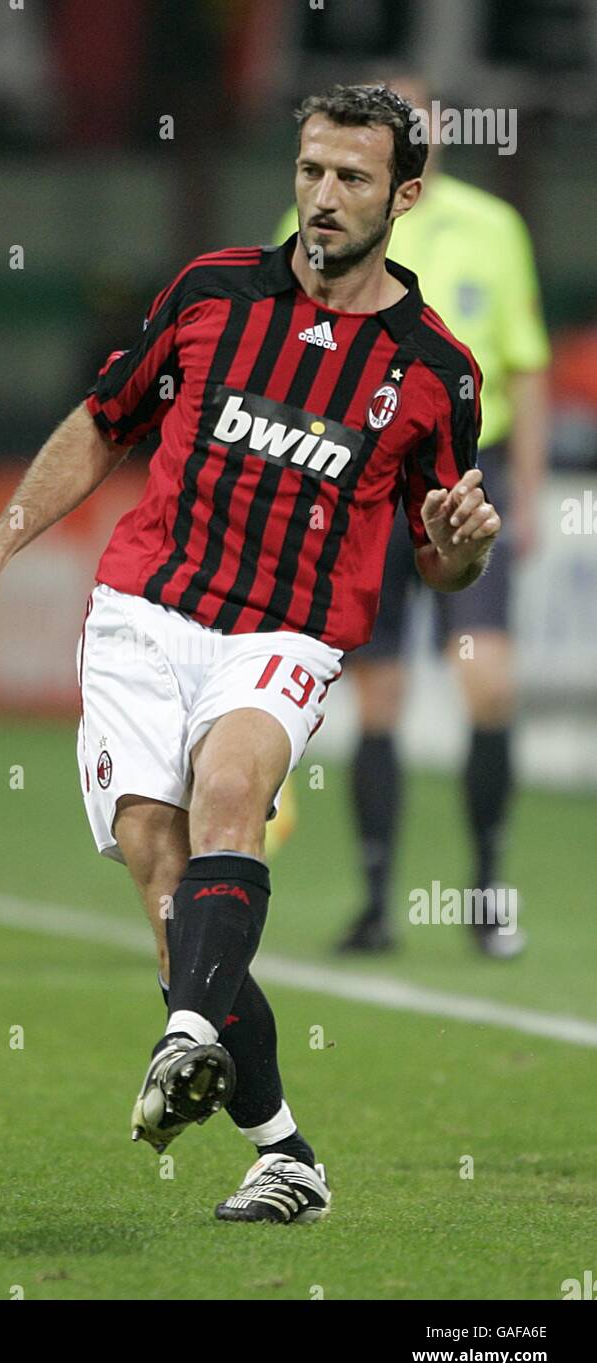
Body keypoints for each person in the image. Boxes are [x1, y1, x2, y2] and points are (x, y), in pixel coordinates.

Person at [0, 85, 499, 1225]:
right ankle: (284, 1151)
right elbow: (105, 419)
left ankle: (184, 1033)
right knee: (162, 870)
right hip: (146, 608)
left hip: (285, 629)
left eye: (350, 178)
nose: (324, 197)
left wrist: (456, 554)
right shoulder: (209, 292)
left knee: (230, 792)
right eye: (309, 171)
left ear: (404, 196)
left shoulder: (437, 371)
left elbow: (444, 558)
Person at [273, 77, 550, 958]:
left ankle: (484, 889)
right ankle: (373, 901)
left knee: (487, 681)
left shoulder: (488, 229)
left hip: (467, 477)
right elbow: (276, 371)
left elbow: (526, 363)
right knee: (379, 697)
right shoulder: (311, 227)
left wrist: (530, 491)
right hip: (360, 480)